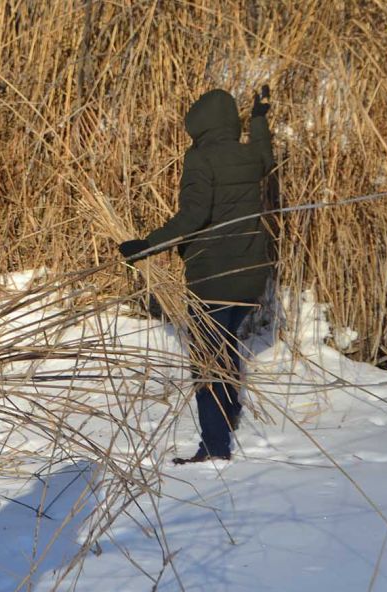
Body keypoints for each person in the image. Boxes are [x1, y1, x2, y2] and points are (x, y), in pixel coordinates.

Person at [119, 86, 276, 464]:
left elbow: (192, 218)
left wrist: (145, 246)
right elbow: (265, 154)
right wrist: (258, 118)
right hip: (251, 275)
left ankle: (214, 447)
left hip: (213, 277)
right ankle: (230, 413)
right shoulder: (249, 154)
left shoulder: (200, 159)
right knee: (225, 347)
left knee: (207, 358)